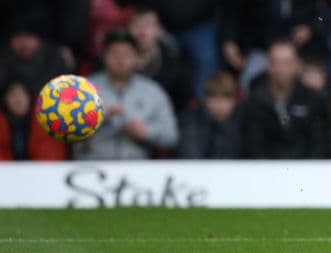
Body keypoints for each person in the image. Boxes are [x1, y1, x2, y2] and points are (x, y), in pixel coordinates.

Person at [74, 29, 179, 161]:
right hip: (89, 167)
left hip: (136, 170)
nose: (120, 60)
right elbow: (66, 131)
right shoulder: (84, 89)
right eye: (115, 54)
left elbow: (171, 136)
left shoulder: (153, 91)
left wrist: (146, 132)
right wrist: (100, 117)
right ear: (104, 56)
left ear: (136, 57)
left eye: (126, 54)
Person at [241, 39, 331, 159]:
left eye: (287, 62)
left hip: (307, 172)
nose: (281, 69)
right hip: (265, 173)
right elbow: (253, 146)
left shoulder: (313, 100)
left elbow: (320, 144)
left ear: (298, 65)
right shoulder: (255, 102)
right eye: (275, 62)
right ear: (268, 65)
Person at [179, 71, 244, 159]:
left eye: (225, 97)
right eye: (214, 97)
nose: (219, 104)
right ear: (205, 100)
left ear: (234, 101)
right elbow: (191, 159)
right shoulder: (191, 123)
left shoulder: (243, 123)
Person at [0, 77, 67, 161]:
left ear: (30, 98)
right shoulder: (2, 123)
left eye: (22, 94)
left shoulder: (45, 122)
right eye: (13, 95)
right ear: (4, 99)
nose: (18, 99)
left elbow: (50, 156)